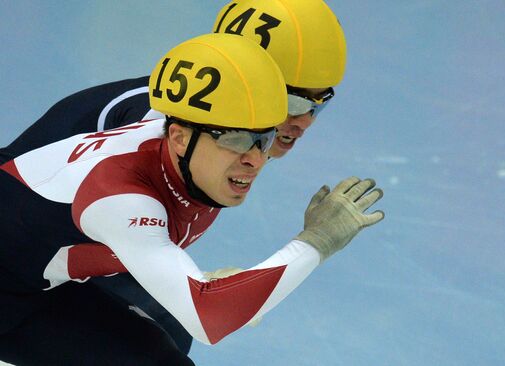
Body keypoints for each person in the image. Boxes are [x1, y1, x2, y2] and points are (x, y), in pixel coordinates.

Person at [0, 33, 384, 365]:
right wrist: (316, 242)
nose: (253, 158)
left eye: (263, 139)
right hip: (20, 287)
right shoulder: (122, 194)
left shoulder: (189, 152)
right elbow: (209, 316)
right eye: (234, 140)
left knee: (166, 340)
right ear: (181, 138)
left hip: (35, 277)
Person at [0, 0, 346, 162]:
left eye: (320, 104)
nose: (304, 123)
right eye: (294, 103)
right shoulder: (157, 124)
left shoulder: (214, 128)